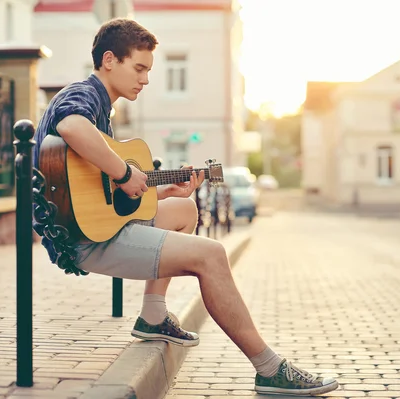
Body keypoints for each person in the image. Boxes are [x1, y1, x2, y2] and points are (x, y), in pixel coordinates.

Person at [32, 18, 339, 396]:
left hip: (88, 225)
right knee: (211, 254)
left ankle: (153, 315)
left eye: (148, 71)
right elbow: (71, 128)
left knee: (186, 210)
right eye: (139, 68)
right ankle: (268, 368)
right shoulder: (84, 94)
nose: (145, 80)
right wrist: (126, 171)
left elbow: (101, 195)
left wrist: (159, 192)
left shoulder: (102, 111)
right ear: (109, 60)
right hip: (81, 239)